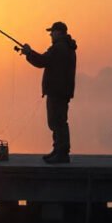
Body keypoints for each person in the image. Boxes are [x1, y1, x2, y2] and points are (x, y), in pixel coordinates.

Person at [20, 21, 78, 164]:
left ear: (59, 32)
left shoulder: (59, 48)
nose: (50, 34)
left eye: (52, 32)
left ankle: (62, 154)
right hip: (61, 90)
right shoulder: (66, 47)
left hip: (57, 91)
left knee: (57, 122)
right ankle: (58, 150)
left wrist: (29, 52)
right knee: (57, 121)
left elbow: (42, 61)